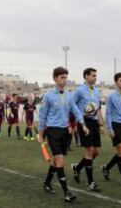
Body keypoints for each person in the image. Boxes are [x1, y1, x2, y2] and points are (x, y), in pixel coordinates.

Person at [38, 67, 88, 203]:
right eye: (62, 77)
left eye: (65, 77)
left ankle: (47, 183)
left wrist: (82, 124)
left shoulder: (69, 95)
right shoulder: (48, 95)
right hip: (53, 131)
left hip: (65, 132)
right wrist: (41, 134)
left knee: (57, 161)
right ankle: (67, 192)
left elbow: (76, 110)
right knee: (60, 161)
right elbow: (42, 116)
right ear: (55, 78)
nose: (64, 80)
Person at [71, 67, 104, 192]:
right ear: (86, 76)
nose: (95, 77)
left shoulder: (96, 91)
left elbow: (98, 108)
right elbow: (72, 105)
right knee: (89, 150)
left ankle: (78, 168)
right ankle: (90, 182)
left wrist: (101, 123)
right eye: (93, 75)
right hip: (83, 122)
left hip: (94, 122)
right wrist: (77, 121)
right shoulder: (79, 90)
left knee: (96, 152)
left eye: (96, 75)